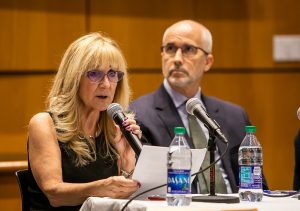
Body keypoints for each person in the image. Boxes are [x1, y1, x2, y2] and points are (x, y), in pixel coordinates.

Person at [129, 20, 268, 193]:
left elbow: (257, 185)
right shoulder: (138, 115)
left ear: (208, 62)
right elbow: (146, 189)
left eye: (189, 49)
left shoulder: (235, 115)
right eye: (170, 49)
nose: (177, 59)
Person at [27, 32, 141, 210]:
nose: (106, 84)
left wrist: (127, 160)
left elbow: (119, 199)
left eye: (112, 74)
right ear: (74, 78)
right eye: (94, 74)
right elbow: (54, 194)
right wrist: (100, 188)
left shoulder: (116, 128)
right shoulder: (44, 124)